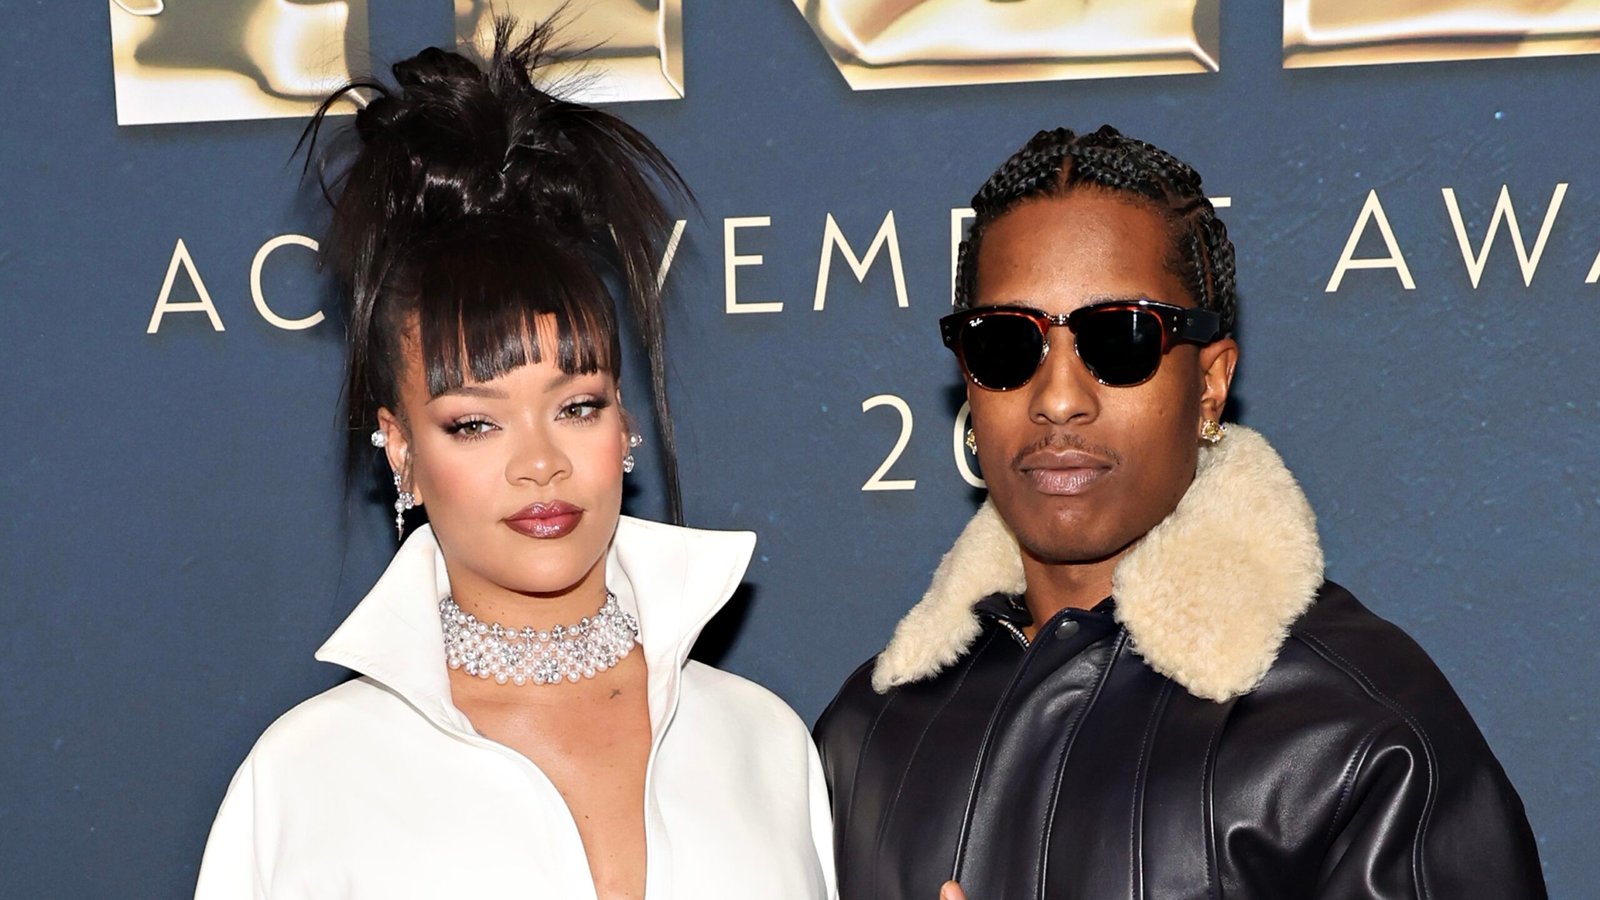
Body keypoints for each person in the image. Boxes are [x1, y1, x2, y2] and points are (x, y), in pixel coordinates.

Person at [814, 125, 1545, 899]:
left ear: (1210, 384)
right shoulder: (865, 736)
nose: (1058, 399)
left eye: (1121, 339)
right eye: (1005, 344)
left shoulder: (1358, 735)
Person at [195, 21, 835, 900]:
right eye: (474, 423)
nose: (540, 463)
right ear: (400, 448)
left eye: (576, 407)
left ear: (624, 424)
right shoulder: (307, 779)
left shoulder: (763, 744)